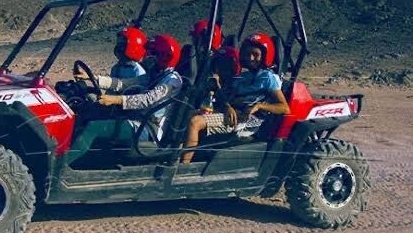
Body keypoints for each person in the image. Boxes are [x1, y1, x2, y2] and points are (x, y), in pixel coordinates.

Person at [67, 34, 183, 163]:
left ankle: (63, 165)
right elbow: (124, 83)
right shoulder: (154, 74)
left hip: (149, 129)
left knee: (94, 127)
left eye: (155, 54)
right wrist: (93, 78)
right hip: (136, 119)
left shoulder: (172, 80)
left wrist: (116, 100)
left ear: (165, 56)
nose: (151, 57)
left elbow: (147, 99)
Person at [181, 32, 290, 164]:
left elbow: (284, 108)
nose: (250, 58)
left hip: (246, 120)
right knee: (190, 114)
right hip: (232, 114)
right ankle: (178, 154)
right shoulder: (244, 77)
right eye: (247, 54)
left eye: (255, 54)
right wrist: (226, 104)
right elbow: (228, 98)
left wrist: (259, 106)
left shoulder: (268, 78)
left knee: (195, 122)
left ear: (264, 56)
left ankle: (183, 166)